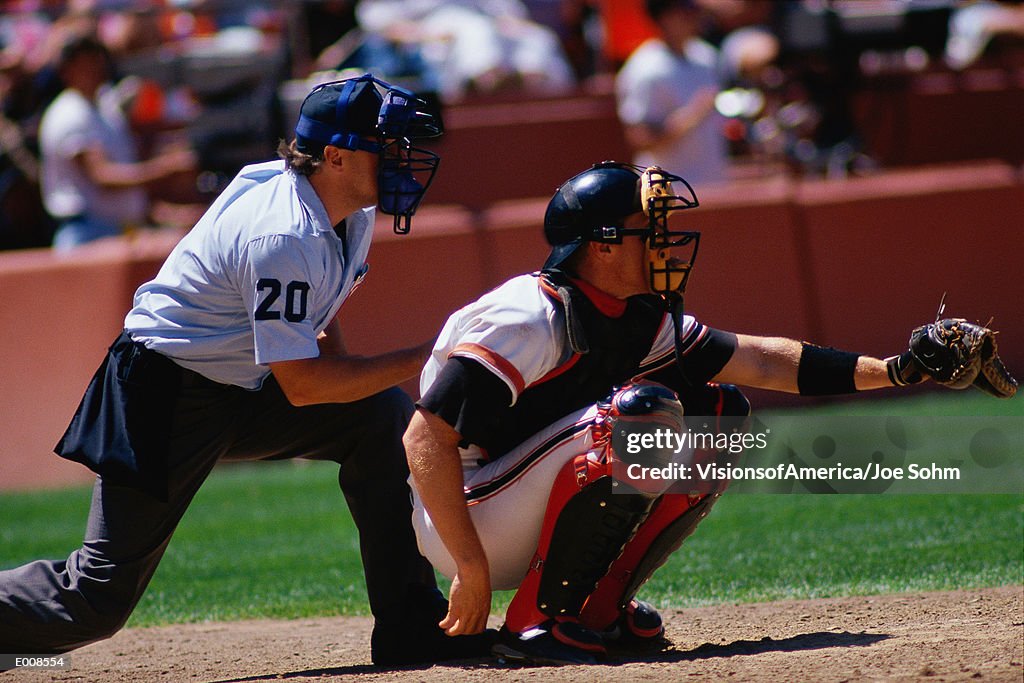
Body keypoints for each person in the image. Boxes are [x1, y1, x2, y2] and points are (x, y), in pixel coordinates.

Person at [401, 161, 1015, 665]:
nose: (668, 242)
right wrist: (472, 568)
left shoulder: (639, 312)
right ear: (603, 244)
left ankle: (597, 612)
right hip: (464, 514)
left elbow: (765, 363)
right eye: (652, 229)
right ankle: (536, 622)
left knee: (718, 413)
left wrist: (898, 369)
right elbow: (424, 435)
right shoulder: (530, 315)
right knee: (639, 417)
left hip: (518, 493)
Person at [0, 72, 493, 667]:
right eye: (385, 146)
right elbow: (305, 384)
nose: (402, 159)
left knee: (380, 420)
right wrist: (430, 353)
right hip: (165, 393)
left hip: (240, 381)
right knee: (94, 599)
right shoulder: (285, 231)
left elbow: (312, 328)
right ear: (334, 156)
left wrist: (370, 378)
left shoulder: (343, 211)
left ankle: (412, 629)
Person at [38, 34, 195, 252]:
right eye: (84, 62)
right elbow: (102, 177)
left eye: (95, 58)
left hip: (118, 229)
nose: (93, 67)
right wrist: (165, 168)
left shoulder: (104, 105)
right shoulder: (69, 112)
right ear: (67, 70)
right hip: (85, 233)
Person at [615, 0, 728, 186]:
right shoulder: (644, 68)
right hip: (667, 191)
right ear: (664, 17)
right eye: (685, 9)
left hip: (714, 183)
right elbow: (640, 137)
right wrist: (692, 115)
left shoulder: (707, 57)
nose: (693, 15)